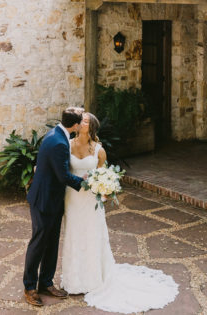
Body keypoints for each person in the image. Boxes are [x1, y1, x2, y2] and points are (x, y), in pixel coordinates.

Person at [59, 112, 178, 313]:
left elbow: (104, 175)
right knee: (73, 235)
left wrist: (104, 190)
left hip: (89, 201)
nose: (80, 123)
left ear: (91, 127)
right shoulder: (67, 145)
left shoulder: (99, 150)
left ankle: (93, 279)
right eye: (80, 121)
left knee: (92, 235)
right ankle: (73, 279)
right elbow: (63, 171)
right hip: (71, 198)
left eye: (85, 121)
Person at [22, 106, 85, 307]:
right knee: (39, 243)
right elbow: (62, 176)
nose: (82, 124)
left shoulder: (56, 134)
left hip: (53, 199)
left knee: (52, 243)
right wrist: (85, 182)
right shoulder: (58, 142)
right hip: (44, 200)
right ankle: (30, 287)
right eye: (81, 122)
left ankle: (46, 283)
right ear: (75, 125)